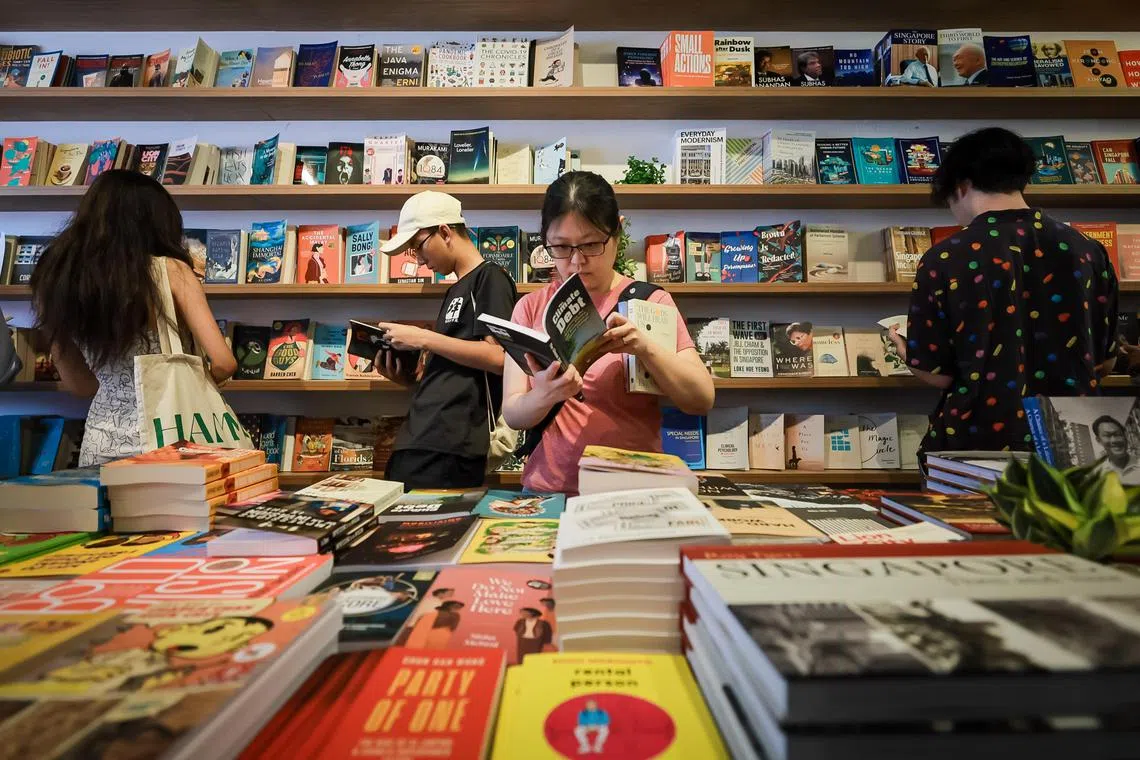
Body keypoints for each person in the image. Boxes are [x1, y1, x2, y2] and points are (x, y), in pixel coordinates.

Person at [888, 127, 1118, 455]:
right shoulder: (1086, 249)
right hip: (1077, 441)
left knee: (972, 508)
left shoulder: (945, 256)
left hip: (980, 442)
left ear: (961, 186)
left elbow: (937, 374)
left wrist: (904, 350)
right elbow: (1102, 363)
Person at [502, 172, 714, 494]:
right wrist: (545, 395)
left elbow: (701, 399)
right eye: (560, 247)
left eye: (591, 244)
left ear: (617, 231)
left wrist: (645, 347)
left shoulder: (650, 302)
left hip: (632, 491)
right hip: (547, 489)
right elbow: (514, 414)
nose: (576, 262)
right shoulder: (530, 308)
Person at [29, 170, 236, 467]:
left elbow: (82, 386)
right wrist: (189, 383)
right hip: (172, 442)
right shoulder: (171, 271)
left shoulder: (59, 280)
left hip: (101, 444)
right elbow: (224, 362)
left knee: (109, 514)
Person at [376, 190, 517, 489]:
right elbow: (456, 373)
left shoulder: (490, 278)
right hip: (419, 437)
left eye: (418, 246)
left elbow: (499, 358)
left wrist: (424, 338)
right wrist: (408, 380)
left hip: (455, 443)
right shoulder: (455, 289)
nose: (420, 260)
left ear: (445, 232)